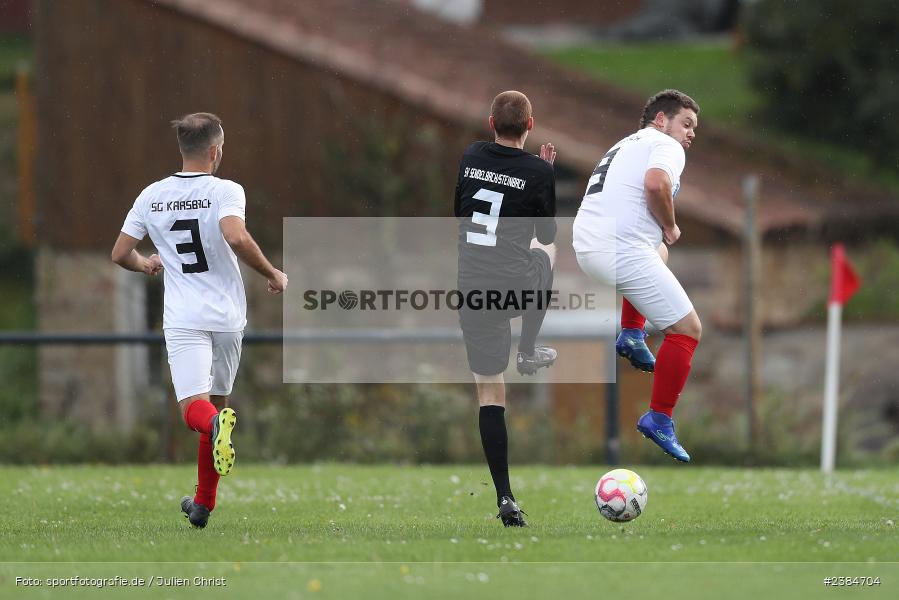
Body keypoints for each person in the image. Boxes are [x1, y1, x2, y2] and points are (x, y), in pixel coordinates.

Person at [110, 113, 288, 527]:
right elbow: (236, 236)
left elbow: (120, 253)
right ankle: (203, 505)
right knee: (217, 409)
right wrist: (273, 273)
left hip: (186, 317)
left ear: (182, 150)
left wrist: (147, 264)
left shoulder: (152, 196)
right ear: (215, 151)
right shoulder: (226, 190)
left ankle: (210, 457)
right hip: (227, 316)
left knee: (197, 409)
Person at [573, 89, 702, 463]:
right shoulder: (666, 145)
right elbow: (656, 184)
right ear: (661, 120)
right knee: (688, 330)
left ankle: (631, 333)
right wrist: (672, 224)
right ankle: (659, 417)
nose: (691, 134)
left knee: (658, 252)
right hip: (619, 250)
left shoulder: (628, 143)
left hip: (586, 245)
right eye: (687, 123)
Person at [455, 91, 557, 526]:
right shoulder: (537, 171)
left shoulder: (470, 155)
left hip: (473, 291)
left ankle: (504, 497)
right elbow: (548, 234)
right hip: (514, 287)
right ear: (530, 126)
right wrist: (545, 174)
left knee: (490, 394)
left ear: (489, 121)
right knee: (545, 257)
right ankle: (529, 347)